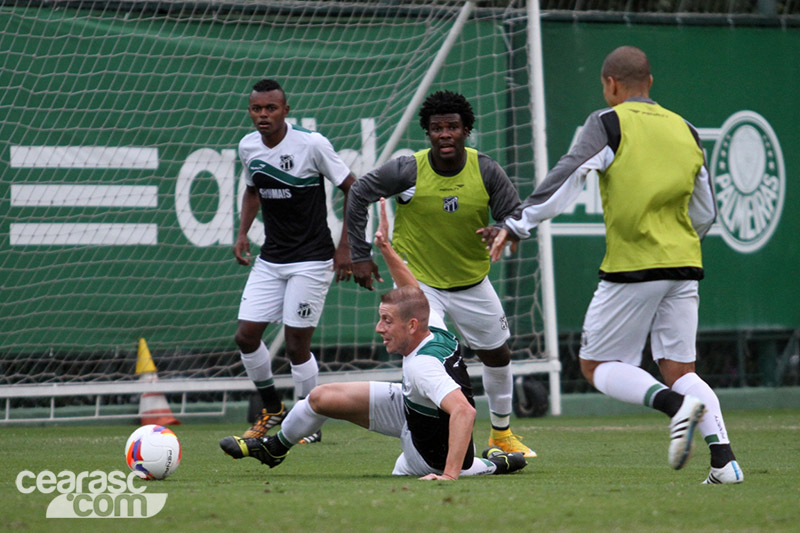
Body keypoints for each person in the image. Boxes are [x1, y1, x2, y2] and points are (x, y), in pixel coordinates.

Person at [483, 46, 742, 484]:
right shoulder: (687, 129)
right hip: (684, 263)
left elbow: (568, 173)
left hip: (633, 265)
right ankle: (724, 463)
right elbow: (706, 212)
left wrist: (516, 223)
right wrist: (678, 243)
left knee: (596, 367)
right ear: (651, 83)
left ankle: (676, 409)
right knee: (681, 372)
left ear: (610, 85)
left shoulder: (608, 122)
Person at [220, 199, 527, 480]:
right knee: (318, 398)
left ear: (411, 325)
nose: (379, 328)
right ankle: (275, 447)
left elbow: (465, 412)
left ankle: (496, 463)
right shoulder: (431, 326)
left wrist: (448, 476)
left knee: (450, 467)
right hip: (414, 408)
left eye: (387, 321)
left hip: (426, 456)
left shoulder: (424, 365)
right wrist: (385, 248)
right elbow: (416, 293)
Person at [345, 90, 536, 458]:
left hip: (472, 282)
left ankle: (502, 435)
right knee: (435, 355)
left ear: (467, 130)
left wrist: (503, 229)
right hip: (421, 285)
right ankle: (435, 438)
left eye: (452, 127)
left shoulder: (485, 169)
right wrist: (360, 254)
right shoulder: (408, 169)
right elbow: (358, 194)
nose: (444, 134)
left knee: (498, 356)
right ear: (427, 132)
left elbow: (515, 214)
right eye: (436, 128)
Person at [233, 78, 356, 444]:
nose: (263, 115)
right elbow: (253, 189)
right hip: (272, 258)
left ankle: (308, 421)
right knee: (245, 336)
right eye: (257, 109)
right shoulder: (248, 147)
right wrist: (242, 233)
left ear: (286, 110)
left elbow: (354, 189)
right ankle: (272, 410)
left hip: (312, 260)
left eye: (271, 108)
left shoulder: (311, 144)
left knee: (295, 345)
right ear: (250, 111)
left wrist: (345, 247)